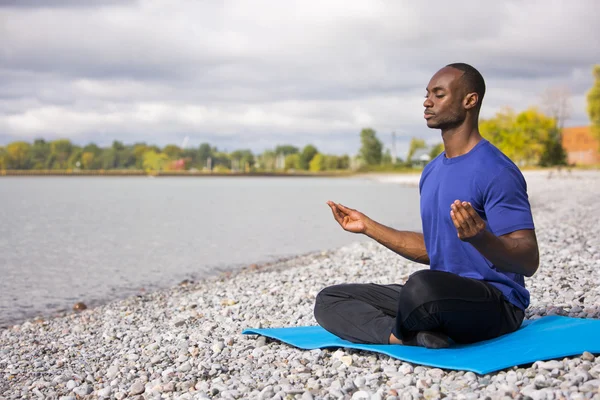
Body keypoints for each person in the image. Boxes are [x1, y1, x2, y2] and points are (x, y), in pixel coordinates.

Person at [314, 63, 539, 349]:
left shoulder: (496, 170)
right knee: (331, 299)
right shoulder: (432, 170)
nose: (427, 101)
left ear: (470, 100)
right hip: (440, 295)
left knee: (420, 287)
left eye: (438, 94)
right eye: (427, 94)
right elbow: (433, 249)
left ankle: (414, 328)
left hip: (496, 303)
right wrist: (368, 226)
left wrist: (482, 239)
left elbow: (529, 260)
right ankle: (403, 336)